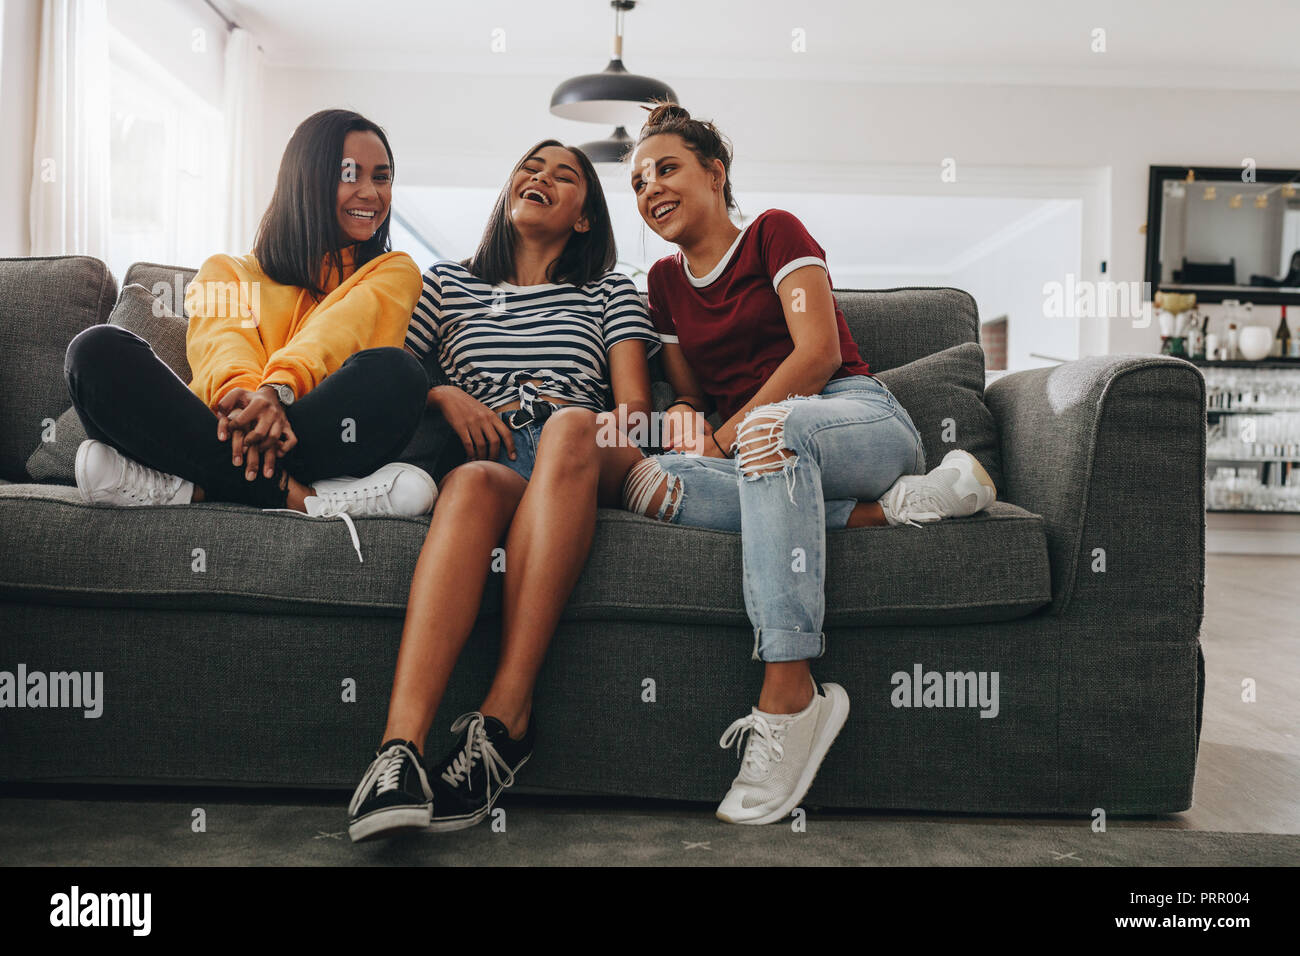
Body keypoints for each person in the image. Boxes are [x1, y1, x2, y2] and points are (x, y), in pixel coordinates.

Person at [620, 103, 998, 824]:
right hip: (771, 456)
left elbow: (817, 354)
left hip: (857, 418)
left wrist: (725, 437)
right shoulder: (664, 284)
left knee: (771, 430)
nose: (651, 189)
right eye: (638, 181)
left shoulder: (773, 234)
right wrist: (683, 415)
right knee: (650, 484)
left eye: (666, 168)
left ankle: (791, 694)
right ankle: (893, 510)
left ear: (715, 172)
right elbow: (692, 389)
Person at [347, 140, 660, 841]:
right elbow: (392, 379)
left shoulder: (610, 289)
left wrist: (571, 424)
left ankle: (507, 714)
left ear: (583, 217)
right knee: (466, 486)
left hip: (584, 449)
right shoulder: (446, 284)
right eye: (531, 166)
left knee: (574, 429)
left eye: (564, 174)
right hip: (493, 454)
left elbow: (635, 410)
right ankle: (398, 751)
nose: (540, 176)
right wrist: (444, 394)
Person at [65, 109, 436, 538]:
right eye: (350, 174)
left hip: (315, 435)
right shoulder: (226, 269)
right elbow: (222, 342)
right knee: (96, 350)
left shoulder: (394, 269)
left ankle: (195, 486)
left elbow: (341, 330)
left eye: (382, 177)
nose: (371, 192)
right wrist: (246, 403)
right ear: (306, 179)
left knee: (400, 373)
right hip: (226, 426)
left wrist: (278, 391)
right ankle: (303, 497)